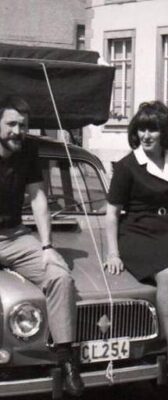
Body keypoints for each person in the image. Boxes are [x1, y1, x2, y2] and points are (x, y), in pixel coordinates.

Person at [104, 101, 168, 393]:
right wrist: (113, 253)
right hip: (136, 230)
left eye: (154, 129)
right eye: (142, 128)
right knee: (167, 275)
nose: (147, 135)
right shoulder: (127, 166)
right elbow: (112, 212)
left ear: (165, 132)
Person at [0, 96, 83, 395]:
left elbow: (37, 197)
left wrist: (47, 246)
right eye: (10, 124)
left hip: (15, 235)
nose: (17, 131)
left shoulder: (29, 150)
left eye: (22, 125)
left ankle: (66, 360)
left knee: (60, 276)